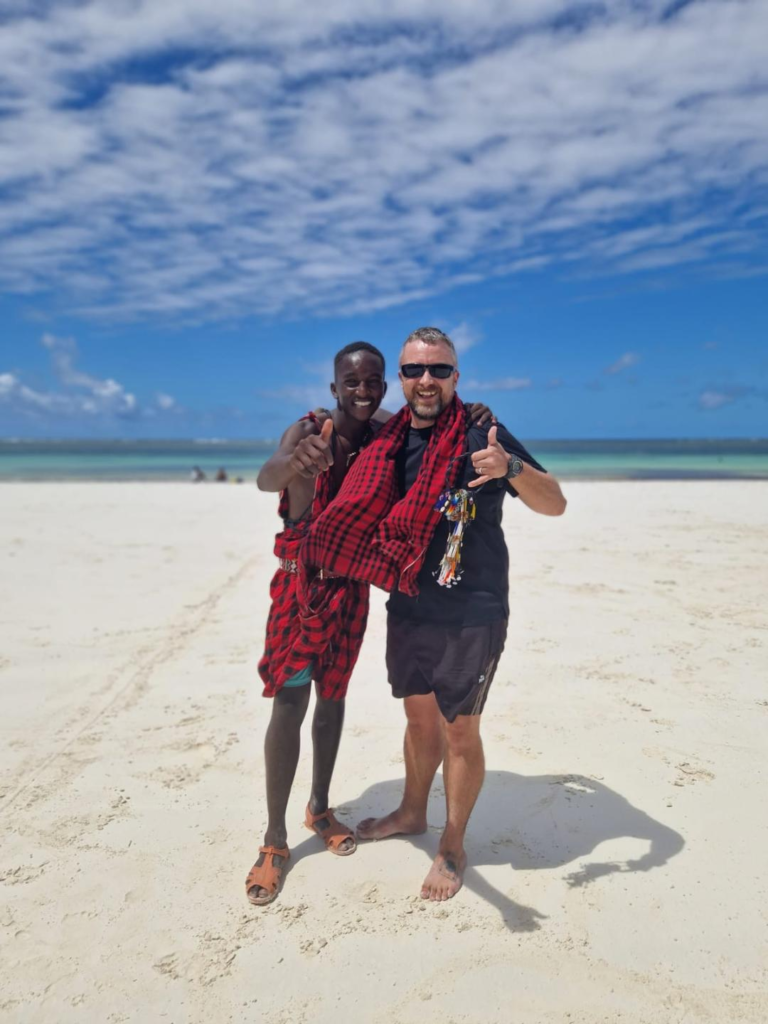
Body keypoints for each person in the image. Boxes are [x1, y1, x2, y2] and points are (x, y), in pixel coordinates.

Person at [299, 327, 566, 902]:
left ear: (455, 377)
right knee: (419, 722)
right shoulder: (387, 440)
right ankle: (412, 813)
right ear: (400, 378)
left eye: (439, 370)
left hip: (474, 609)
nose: (426, 381)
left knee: (460, 730)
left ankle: (452, 844)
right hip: (409, 602)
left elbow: (556, 503)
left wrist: (510, 470)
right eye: (415, 371)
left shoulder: (482, 432)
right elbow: (338, 433)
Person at [246, 340, 495, 906]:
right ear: (334, 387)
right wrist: (296, 462)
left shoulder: (388, 430)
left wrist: (477, 411)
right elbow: (267, 477)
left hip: (351, 587)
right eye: (350, 383)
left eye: (372, 382)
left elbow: (437, 413)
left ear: (385, 386)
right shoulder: (309, 429)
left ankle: (319, 809)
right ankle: (273, 840)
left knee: (332, 700)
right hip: (300, 583)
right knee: (291, 701)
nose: (361, 391)